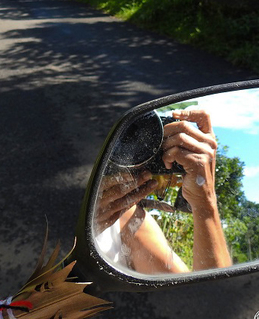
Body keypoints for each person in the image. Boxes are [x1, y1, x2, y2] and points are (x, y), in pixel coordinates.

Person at [94, 109, 232, 274]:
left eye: (139, 136)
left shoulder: (125, 218)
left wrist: (204, 201)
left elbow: (210, 294)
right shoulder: (124, 218)